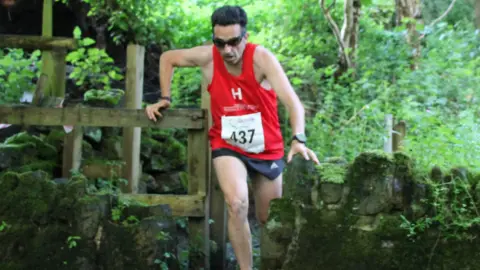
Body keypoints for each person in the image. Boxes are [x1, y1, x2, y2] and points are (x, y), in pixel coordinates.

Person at [145, 5, 319, 270]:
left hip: (267, 148)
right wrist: (165, 98)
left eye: (234, 42)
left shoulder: (261, 59)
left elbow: (294, 104)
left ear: (245, 37)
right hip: (228, 144)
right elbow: (168, 58)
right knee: (236, 203)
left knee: (267, 218)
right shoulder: (208, 58)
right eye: (220, 43)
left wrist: (299, 139)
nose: (227, 50)